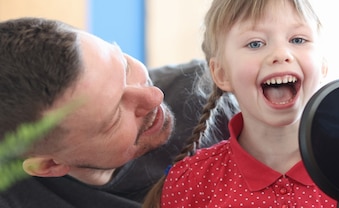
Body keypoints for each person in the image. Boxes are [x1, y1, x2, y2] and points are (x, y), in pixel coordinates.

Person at [0, 17, 237, 207]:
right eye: (114, 118)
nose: (155, 96)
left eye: (125, 66)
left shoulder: (214, 90)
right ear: (49, 165)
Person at [141, 0, 339, 207]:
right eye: (255, 44)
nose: (281, 54)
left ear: (323, 65)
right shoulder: (190, 183)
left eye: (298, 40)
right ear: (222, 73)